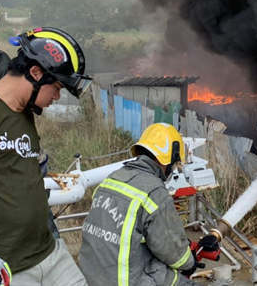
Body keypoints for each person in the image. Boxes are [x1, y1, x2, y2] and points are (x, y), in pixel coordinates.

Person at [0, 27, 92, 286]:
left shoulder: (24, 111)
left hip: (48, 253)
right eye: (56, 87)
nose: (57, 97)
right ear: (35, 73)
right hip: (5, 266)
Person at [79, 123, 215, 286]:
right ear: (169, 159)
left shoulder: (110, 180)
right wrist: (190, 262)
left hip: (92, 277)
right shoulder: (154, 192)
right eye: (175, 163)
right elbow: (175, 255)